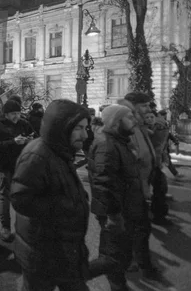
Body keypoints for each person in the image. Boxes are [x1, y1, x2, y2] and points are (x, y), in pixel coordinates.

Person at [10, 99, 91, 291]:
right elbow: (21, 200)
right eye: (79, 128)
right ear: (61, 127)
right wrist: (65, 206)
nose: (85, 134)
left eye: (86, 128)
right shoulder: (38, 155)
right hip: (42, 252)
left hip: (62, 248)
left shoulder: (59, 150)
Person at [87, 104, 147, 290]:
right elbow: (103, 183)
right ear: (115, 122)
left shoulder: (119, 142)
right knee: (111, 257)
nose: (134, 120)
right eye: (129, 117)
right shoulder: (107, 144)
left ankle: (118, 284)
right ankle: (70, 276)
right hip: (116, 214)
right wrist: (113, 216)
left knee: (119, 255)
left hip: (125, 210)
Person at [118, 93, 161, 278]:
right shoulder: (128, 127)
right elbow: (130, 161)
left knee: (139, 228)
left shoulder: (138, 125)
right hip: (133, 190)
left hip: (141, 187)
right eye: (144, 106)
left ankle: (136, 262)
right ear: (133, 107)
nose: (149, 109)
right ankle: (134, 264)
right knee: (137, 228)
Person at [0, 100, 33, 242]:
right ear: (6, 114)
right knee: (5, 195)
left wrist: (29, 140)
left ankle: (25, 227)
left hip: (22, 165)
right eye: (13, 113)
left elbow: (35, 136)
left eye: (18, 113)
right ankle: (5, 226)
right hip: (5, 165)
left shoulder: (24, 123)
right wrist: (13, 142)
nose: (17, 116)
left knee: (24, 195)